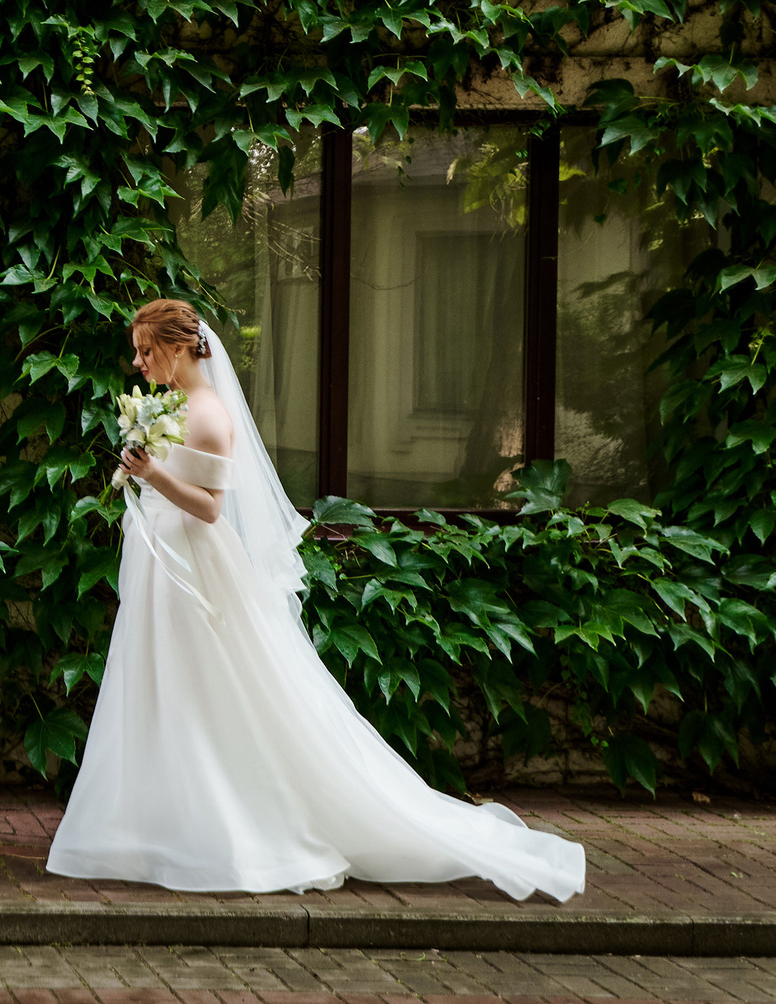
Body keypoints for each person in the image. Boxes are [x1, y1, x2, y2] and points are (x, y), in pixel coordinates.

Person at [45, 298, 585, 901]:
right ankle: (162, 823)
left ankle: (228, 824)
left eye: (146, 350)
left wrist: (152, 475)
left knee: (209, 684)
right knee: (167, 684)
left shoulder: (209, 415)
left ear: (176, 348)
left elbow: (210, 507)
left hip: (197, 564)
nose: (137, 362)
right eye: (138, 350)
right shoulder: (173, 406)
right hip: (167, 564)